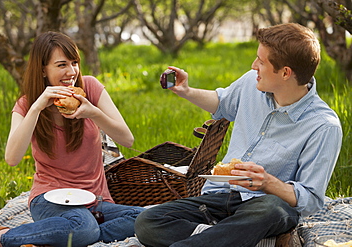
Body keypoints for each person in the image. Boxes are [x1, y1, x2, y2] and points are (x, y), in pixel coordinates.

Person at [134, 23, 343, 247]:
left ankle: (222, 237)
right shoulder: (252, 83)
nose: (254, 66)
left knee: (271, 209)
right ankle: (244, 240)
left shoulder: (323, 126)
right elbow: (222, 102)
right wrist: (186, 91)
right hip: (220, 196)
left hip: (266, 206)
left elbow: (310, 200)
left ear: (285, 73)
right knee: (148, 222)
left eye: (261, 62)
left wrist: (267, 183)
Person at [0, 31, 144, 247]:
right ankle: (3, 238)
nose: (72, 72)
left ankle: (50, 236)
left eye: (74, 63)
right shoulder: (27, 104)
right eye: (61, 65)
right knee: (83, 228)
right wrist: (37, 107)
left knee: (145, 218)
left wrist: (93, 113)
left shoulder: (90, 88)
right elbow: (12, 158)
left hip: (95, 201)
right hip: (49, 198)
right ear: (42, 69)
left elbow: (127, 139)